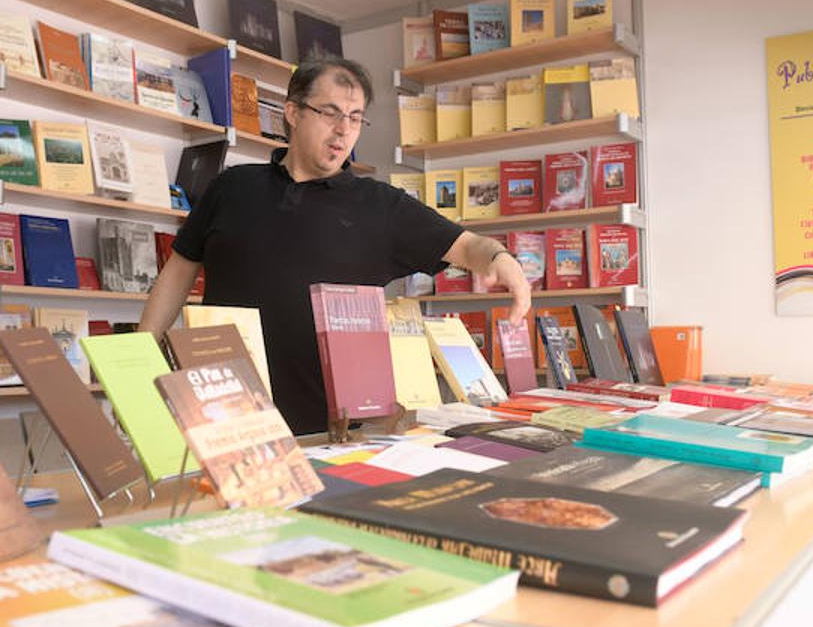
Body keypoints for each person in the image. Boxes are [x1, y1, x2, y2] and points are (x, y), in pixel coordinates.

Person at [139, 57, 532, 434]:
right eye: (330, 113)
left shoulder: (381, 206)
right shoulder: (232, 187)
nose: (344, 130)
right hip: (225, 420)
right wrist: (139, 358)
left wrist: (500, 259)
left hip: (331, 431)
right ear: (292, 113)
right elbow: (179, 270)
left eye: (356, 117)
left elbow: (466, 246)